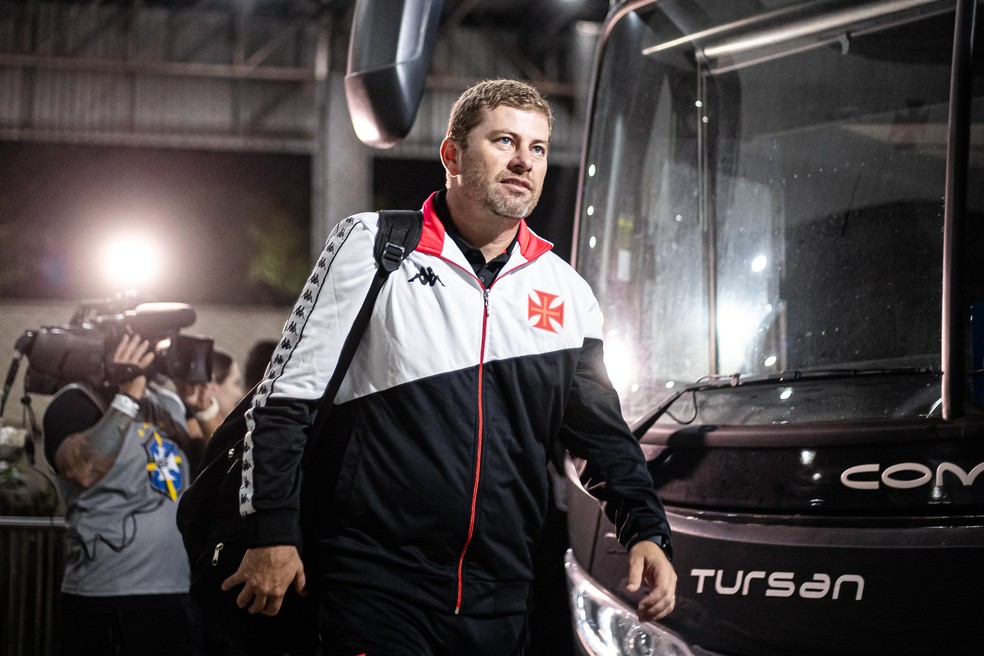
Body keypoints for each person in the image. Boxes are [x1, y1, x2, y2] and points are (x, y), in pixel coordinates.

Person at [225, 79, 677, 655]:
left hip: (503, 595)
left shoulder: (568, 292)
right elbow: (284, 399)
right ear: (452, 155)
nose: (523, 161)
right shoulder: (373, 246)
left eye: (537, 148)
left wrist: (647, 529)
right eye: (505, 141)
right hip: (376, 584)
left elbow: (602, 437)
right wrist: (272, 531)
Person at [42, 333, 221, 656]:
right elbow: (83, 469)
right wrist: (127, 396)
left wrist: (204, 409)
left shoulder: (170, 404)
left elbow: (229, 466)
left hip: (176, 592)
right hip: (106, 595)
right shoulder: (76, 400)